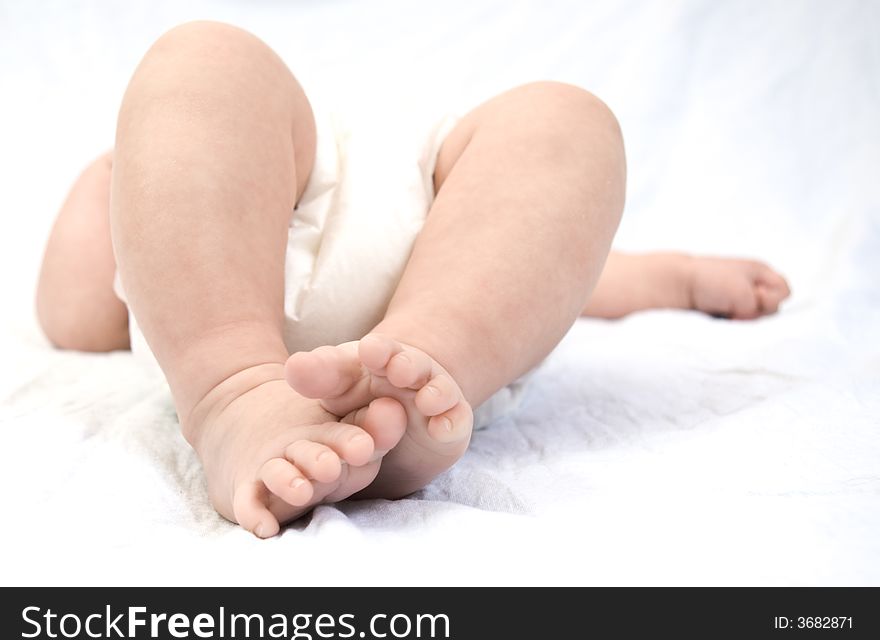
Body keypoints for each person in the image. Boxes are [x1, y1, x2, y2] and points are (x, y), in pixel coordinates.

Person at [35, 21, 790, 538]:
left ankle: (418, 368)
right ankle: (237, 391)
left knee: (563, 122)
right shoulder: (162, 254)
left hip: (432, 210)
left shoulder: (193, 192)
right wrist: (122, 192)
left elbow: (558, 270)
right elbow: (75, 312)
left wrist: (678, 277)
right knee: (202, 61)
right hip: (327, 246)